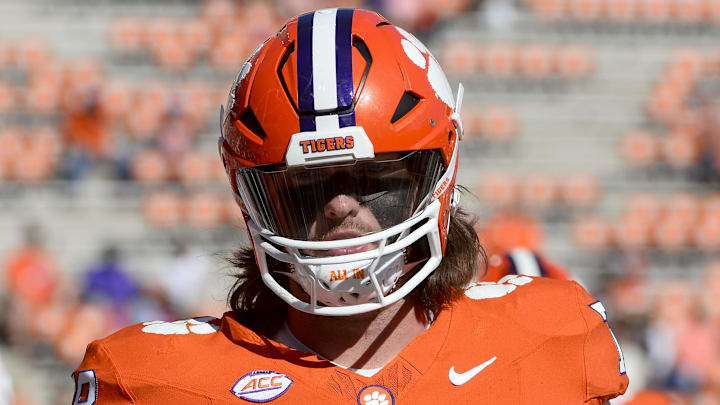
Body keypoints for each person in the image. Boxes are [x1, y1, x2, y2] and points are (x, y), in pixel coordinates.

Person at [72, 8, 628, 404]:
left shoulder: (554, 337)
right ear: (250, 194)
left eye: (374, 178)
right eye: (304, 186)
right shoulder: (151, 381)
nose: (340, 206)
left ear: (440, 171)